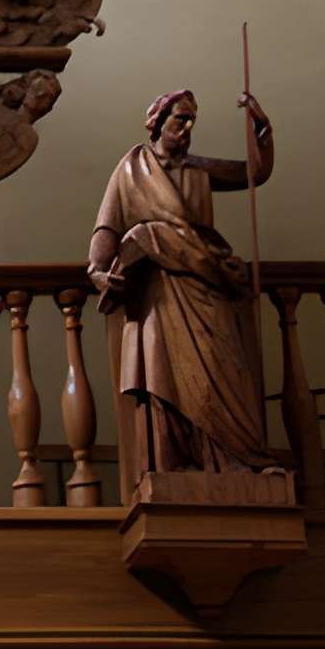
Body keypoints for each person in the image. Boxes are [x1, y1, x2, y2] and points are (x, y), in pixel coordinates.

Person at [88, 88, 275, 474]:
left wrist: (260, 128)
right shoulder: (131, 168)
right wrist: (98, 269)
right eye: (179, 119)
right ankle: (178, 463)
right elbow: (108, 225)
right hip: (159, 289)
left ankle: (232, 458)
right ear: (157, 123)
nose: (187, 127)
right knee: (163, 376)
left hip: (206, 279)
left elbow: (254, 172)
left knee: (221, 367)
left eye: (192, 120)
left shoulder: (200, 169)